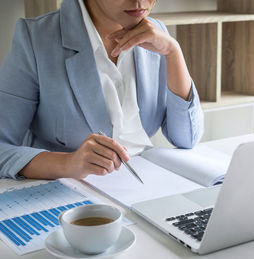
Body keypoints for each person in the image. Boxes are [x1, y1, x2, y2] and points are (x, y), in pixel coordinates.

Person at [0, 0, 204, 180]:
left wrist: (173, 52)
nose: (140, 1)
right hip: (63, 190)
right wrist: (68, 164)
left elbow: (186, 139)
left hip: (142, 183)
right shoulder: (37, 37)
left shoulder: (157, 32)